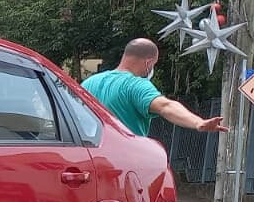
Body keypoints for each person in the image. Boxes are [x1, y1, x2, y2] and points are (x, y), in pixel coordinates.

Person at [82, 38, 226, 137]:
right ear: (148, 63)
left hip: (92, 160)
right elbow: (165, 106)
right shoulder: (135, 85)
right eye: (154, 65)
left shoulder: (88, 84)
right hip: (125, 160)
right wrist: (198, 122)